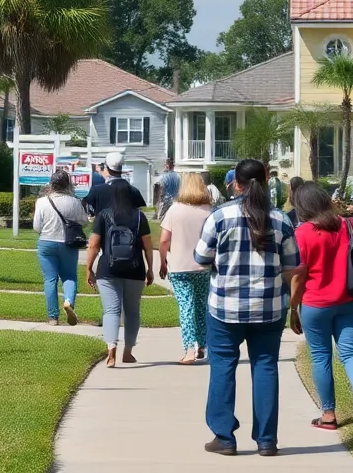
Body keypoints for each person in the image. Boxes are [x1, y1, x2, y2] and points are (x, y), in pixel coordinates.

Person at [195, 159, 299, 458]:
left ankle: (224, 436)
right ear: (265, 182)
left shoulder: (220, 217)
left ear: (235, 183)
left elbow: (202, 257)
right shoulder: (280, 219)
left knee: (223, 367)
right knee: (265, 367)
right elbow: (291, 265)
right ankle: (267, 439)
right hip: (269, 306)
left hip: (225, 307)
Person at [288, 182, 353, 432]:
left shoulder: (303, 233)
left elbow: (298, 275)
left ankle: (328, 414)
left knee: (321, 357)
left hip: (316, 303)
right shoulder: (349, 225)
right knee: (351, 353)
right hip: (350, 300)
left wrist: (293, 308)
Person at [85, 178, 153, 368]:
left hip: (108, 269)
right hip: (135, 268)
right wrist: (150, 269)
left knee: (111, 310)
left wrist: (88, 268)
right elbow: (148, 246)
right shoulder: (139, 217)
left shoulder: (103, 215)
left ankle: (111, 350)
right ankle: (128, 352)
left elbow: (94, 244)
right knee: (132, 312)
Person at [158, 173, 212, 363]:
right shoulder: (209, 211)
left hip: (180, 267)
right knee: (201, 306)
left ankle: (189, 348)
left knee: (186, 307)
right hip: (204, 266)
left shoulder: (175, 210)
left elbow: (164, 240)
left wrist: (163, 261)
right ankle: (203, 346)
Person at [33, 170, 90, 326]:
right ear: (68, 184)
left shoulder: (42, 201)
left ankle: (53, 317)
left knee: (50, 279)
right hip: (68, 243)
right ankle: (69, 302)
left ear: (51, 184)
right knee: (70, 276)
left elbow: (36, 226)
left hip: (46, 242)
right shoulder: (74, 201)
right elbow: (84, 222)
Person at [82, 151, 146, 217]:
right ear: (121, 168)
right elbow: (140, 213)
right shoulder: (134, 191)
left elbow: (85, 205)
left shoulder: (96, 190)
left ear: (106, 167)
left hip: (103, 226)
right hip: (129, 227)